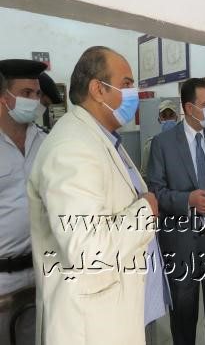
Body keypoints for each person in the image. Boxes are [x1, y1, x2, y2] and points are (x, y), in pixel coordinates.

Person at [27, 46, 168, 345]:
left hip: (115, 311)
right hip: (91, 327)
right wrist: (145, 211)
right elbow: (87, 250)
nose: (133, 93)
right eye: (126, 84)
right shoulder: (72, 147)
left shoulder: (101, 138)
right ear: (98, 89)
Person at [147, 78, 205, 345]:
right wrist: (188, 200)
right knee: (183, 316)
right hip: (181, 243)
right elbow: (156, 193)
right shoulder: (163, 144)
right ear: (189, 108)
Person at [0, 59, 48, 345]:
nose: (34, 100)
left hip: (43, 272)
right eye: (26, 93)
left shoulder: (45, 143)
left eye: (37, 94)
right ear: (4, 98)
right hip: (3, 281)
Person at [141, 99, 178, 177]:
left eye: (171, 115)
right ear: (159, 120)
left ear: (176, 118)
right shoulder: (151, 145)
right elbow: (144, 174)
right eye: (164, 116)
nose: (168, 120)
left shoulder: (186, 143)